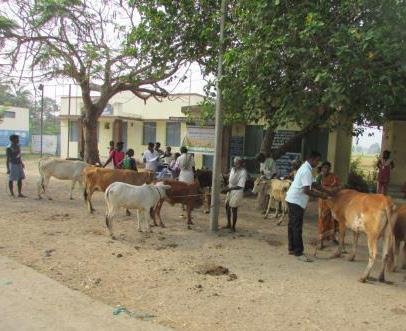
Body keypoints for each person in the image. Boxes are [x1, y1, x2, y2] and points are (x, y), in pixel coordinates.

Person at [285, 151, 332, 262]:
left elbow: (313, 184)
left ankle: (292, 248)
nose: (318, 163)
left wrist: (325, 190)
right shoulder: (306, 170)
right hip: (296, 201)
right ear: (312, 159)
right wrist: (321, 195)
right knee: (296, 227)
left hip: (292, 199)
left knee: (292, 225)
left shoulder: (306, 168)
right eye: (317, 160)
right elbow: (307, 190)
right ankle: (298, 252)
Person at [317, 161, 341, 249]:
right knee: (322, 220)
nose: (325, 169)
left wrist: (332, 190)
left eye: (327, 168)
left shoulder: (334, 177)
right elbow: (315, 188)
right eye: (324, 168)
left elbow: (339, 187)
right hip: (323, 202)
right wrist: (323, 192)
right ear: (321, 168)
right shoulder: (319, 177)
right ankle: (321, 241)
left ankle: (334, 238)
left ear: (329, 169)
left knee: (334, 220)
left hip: (333, 201)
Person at [222, 157, 247, 232]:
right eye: (235, 163)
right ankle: (228, 224)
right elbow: (229, 178)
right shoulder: (233, 169)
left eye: (238, 163)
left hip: (237, 191)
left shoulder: (243, 172)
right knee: (227, 206)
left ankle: (233, 227)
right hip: (230, 189)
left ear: (241, 164)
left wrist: (228, 189)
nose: (236, 164)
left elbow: (240, 186)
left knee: (234, 208)